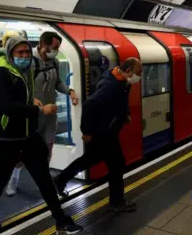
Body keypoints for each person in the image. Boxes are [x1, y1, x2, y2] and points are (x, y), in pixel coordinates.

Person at [0, 36, 82, 233]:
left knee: (44, 179)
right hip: (6, 137)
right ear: (10, 54)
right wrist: (38, 111)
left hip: (29, 135)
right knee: (0, 178)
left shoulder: (26, 70)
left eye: (27, 52)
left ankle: (60, 219)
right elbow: (7, 105)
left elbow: (22, 96)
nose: (25, 56)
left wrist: (32, 100)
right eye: (20, 53)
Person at [54, 58, 141, 213]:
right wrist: (86, 131)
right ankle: (116, 201)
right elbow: (89, 105)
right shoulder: (111, 86)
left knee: (90, 159)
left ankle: (60, 179)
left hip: (107, 129)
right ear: (128, 70)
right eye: (138, 72)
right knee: (117, 165)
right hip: (103, 132)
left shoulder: (120, 80)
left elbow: (120, 102)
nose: (139, 76)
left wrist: (125, 114)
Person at [5, 31, 79, 197]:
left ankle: (44, 182)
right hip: (33, 113)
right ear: (42, 44)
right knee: (25, 152)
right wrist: (33, 101)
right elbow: (21, 87)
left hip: (50, 113)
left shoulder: (54, 62)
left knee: (48, 148)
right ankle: (13, 180)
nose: (56, 51)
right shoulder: (28, 63)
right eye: (54, 47)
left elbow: (58, 82)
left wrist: (70, 91)